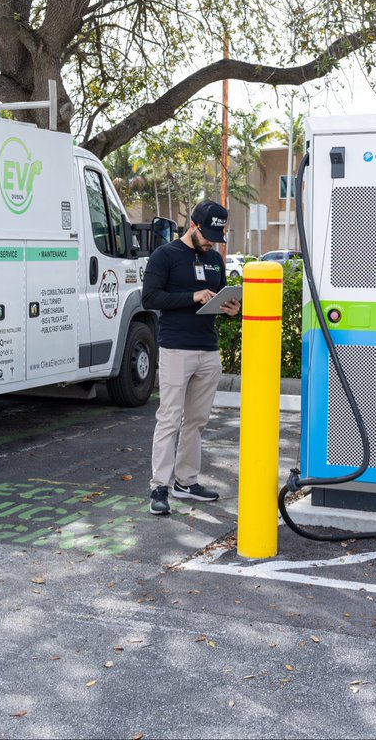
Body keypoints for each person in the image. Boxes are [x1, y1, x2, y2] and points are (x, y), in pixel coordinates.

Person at [141, 200, 241, 515]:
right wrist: (192, 296)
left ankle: (187, 482)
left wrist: (233, 308)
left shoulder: (214, 259)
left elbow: (223, 294)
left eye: (218, 234)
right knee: (169, 418)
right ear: (194, 226)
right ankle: (159, 487)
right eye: (209, 233)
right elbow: (150, 297)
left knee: (196, 421)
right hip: (175, 348)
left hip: (208, 349)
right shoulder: (165, 255)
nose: (213, 241)